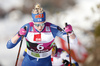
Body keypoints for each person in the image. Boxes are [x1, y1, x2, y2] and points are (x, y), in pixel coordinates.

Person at [6, 4, 78, 66]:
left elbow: (73, 42)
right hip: (29, 62)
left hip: (45, 63)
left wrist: (71, 32)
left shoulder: (52, 28)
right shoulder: (27, 27)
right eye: (37, 25)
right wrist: (18, 34)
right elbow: (9, 46)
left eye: (42, 24)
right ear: (33, 21)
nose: (40, 27)